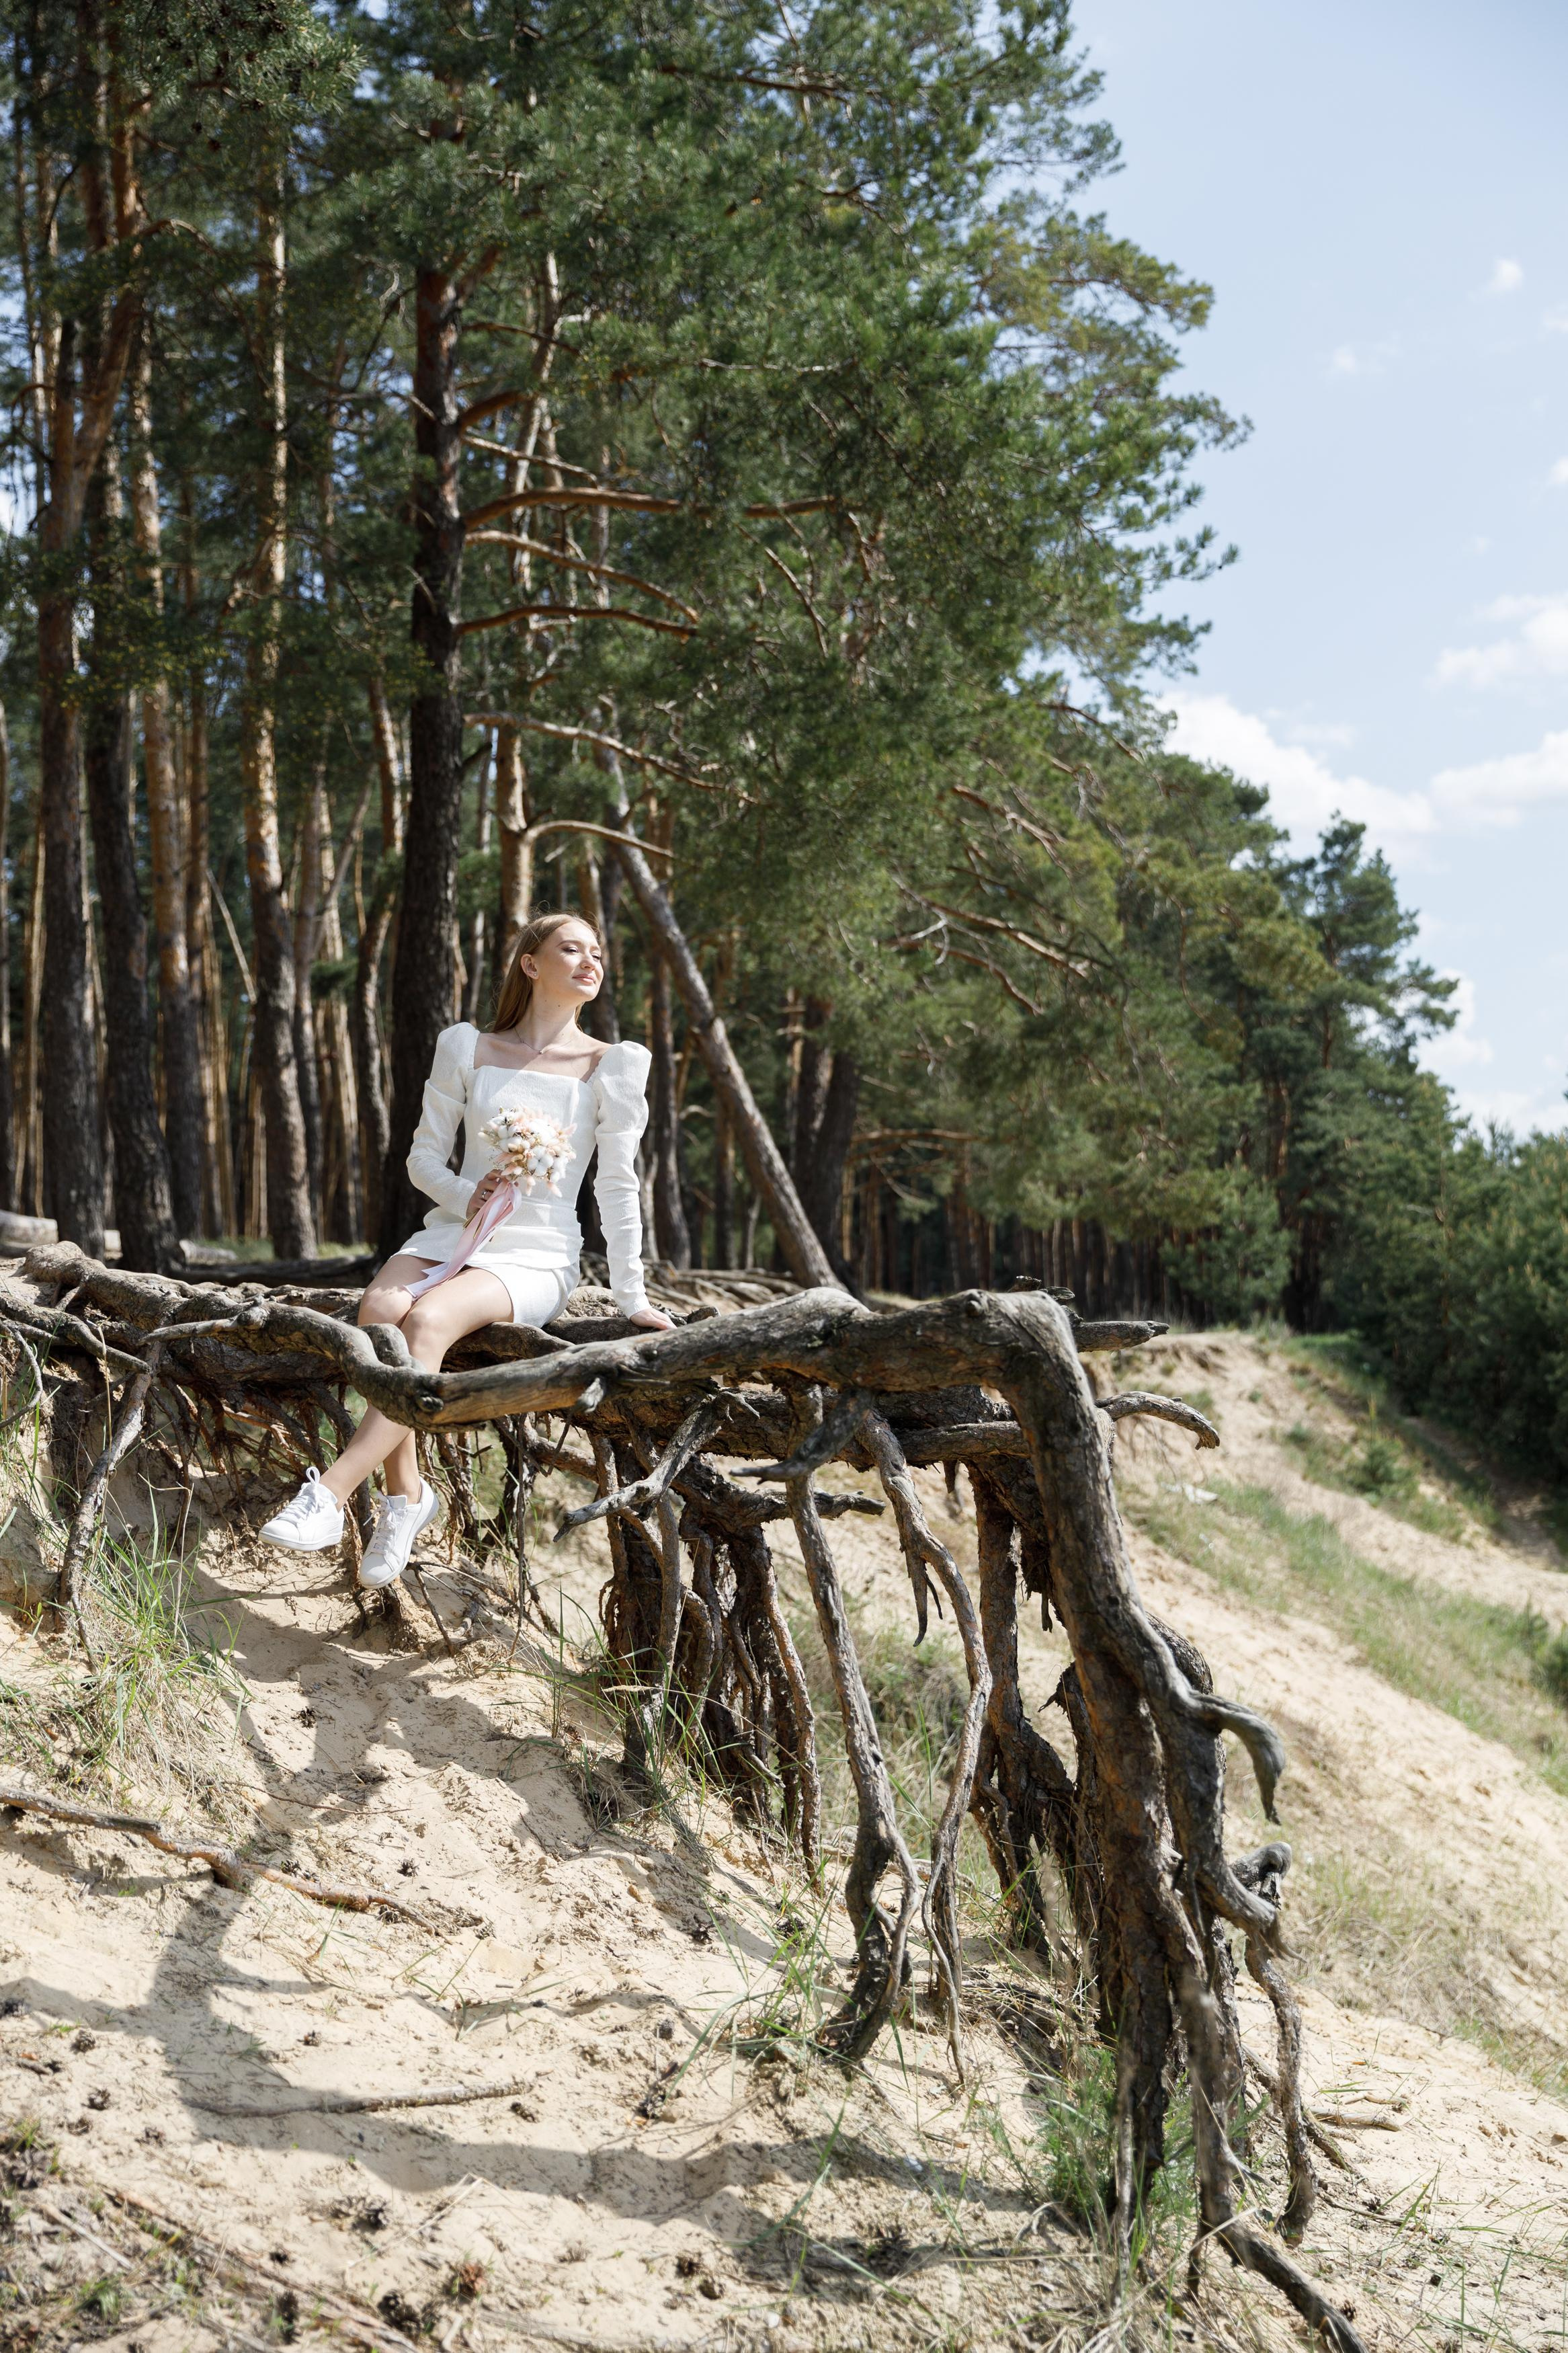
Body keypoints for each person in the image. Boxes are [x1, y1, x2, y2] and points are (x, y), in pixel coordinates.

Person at [259, 911, 673, 1588]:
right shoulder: (467, 1046)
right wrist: (466, 1196)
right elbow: (423, 1157)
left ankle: (329, 1494)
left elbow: (619, 1185)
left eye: (596, 950)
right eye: (570, 948)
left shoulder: (612, 1064)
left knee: (426, 1321)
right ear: (530, 964)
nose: (589, 960)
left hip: (537, 1250)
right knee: (381, 1307)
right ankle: (407, 1496)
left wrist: (632, 1295)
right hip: (454, 1228)